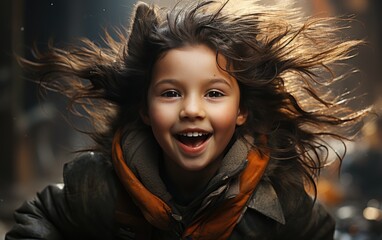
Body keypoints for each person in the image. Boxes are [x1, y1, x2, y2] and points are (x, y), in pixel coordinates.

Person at [6, 0, 370, 239]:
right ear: (146, 110)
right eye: (170, 93)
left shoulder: (276, 201)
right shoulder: (101, 185)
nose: (191, 110)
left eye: (214, 93)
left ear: (242, 110)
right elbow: (36, 221)